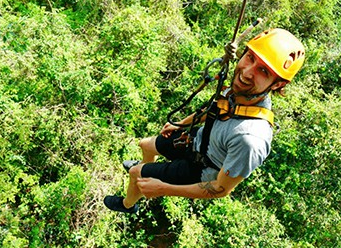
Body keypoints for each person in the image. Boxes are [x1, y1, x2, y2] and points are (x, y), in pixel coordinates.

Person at [104, 28, 305, 213]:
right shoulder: (242, 92)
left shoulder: (250, 139)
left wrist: (163, 189)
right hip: (198, 140)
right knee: (145, 145)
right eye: (250, 58)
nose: (247, 72)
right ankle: (144, 169)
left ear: (277, 83)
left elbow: (220, 188)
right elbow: (215, 108)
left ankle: (128, 204)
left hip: (203, 169)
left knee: (136, 173)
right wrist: (181, 123)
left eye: (263, 71)